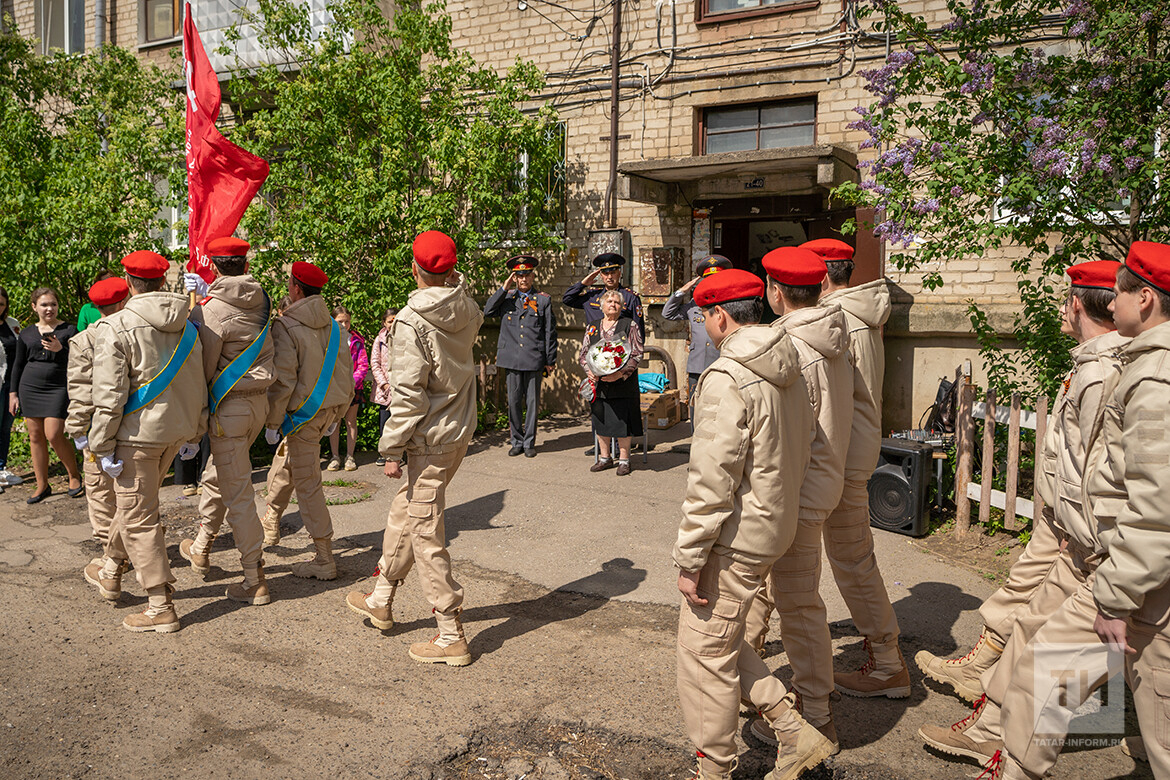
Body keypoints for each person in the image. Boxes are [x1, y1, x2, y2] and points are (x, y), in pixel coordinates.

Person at [918, 252, 1154, 780]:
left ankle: (1023, 746)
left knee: (1067, 666)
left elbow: (1111, 477)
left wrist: (1093, 545)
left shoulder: (1106, 374)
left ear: (1076, 304)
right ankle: (994, 732)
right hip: (1082, 538)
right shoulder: (1099, 365)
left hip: (1102, 550)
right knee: (1035, 641)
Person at [674, 268, 830, 780]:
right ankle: (790, 727)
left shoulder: (726, 376)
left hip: (737, 536)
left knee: (704, 654)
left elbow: (711, 478)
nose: (704, 324)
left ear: (719, 316)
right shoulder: (790, 362)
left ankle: (714, 768)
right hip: (774, 524)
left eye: (703, 316)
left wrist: (690, 557)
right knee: (720, 637)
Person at [744, 246, 868, 749]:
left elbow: (786, 432)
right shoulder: (830, 331)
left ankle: (815, 714)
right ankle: (748, 677)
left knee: (798, 604)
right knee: (779, 593)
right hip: (823, 479)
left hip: (796, 490)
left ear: (775, 291)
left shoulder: (791, 346)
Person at [345, 230, 483, 667]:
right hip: (456, 430)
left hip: (429, 436)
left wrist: (391, 447)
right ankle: (382, 596)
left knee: (425, 531)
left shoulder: (411, 320)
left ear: (414, 268)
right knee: (407, 512)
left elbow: (408, 396)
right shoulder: (467, 306)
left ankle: (450, 633)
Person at [791, 238, 908, 700]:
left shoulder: (835, 321)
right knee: (852, 559)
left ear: (820, 276)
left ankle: (885, 664)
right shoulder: (862, 314)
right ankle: (885, 658)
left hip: (833, 457)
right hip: (852, 453)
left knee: (834, 562)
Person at [84, 250, 207, 632]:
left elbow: (108, 395)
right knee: (136, 507)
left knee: (139, 517)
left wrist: (100, 446)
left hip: (134, 437)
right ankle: (110, 569)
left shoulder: (115, 326)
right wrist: (196, 430)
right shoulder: (188, 323)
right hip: (175, 433)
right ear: (161, 279)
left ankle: (159, 604)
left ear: (129, 280)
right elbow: (198, 381)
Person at [178, 237, 277, 605]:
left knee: (238, 494)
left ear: (215, 268)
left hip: (229, 408)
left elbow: (203, 373)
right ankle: (202, 545)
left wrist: (194, 421)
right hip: (258, 405)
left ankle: (254, 578)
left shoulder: (212, 311)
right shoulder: (263, 299)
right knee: (218, 476)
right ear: (245, 265)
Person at [264, 261, 354, 580]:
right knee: (288, 464)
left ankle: (323, 556)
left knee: (308, 483)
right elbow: (345, 374)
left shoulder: (285, 326)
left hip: (300, 416)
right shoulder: (335, 327)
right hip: (326, 412)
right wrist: (338, 415)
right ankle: (271, 520)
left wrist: (273, 422)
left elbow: (283, 381)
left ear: (296, 288)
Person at [68, 277, 129, 590]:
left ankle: (112, 559)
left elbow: (79, 391)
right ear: (123, 301)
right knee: (129, 493)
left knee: (100, 495)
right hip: (132, 425)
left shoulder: (84, 339)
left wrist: (77, 429)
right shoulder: (134, 330)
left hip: (96, 428)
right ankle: (123, 552)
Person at [9, 286, 82, 504]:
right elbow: (18, 364)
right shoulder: (27, 333)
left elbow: (80, 360)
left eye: (53, 304)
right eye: (44, 304)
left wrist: (62, 350)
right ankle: (42, 485)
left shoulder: (69, 330)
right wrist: (13, 393)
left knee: (53, 434)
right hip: (29, 387)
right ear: (34, 307)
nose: (49, 308)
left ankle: (74, 476)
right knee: (34, 436)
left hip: (57, 387)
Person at [483, 255, 558, 457]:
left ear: (533, 276)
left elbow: (549, 331)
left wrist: (550, 360)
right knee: (514, 401)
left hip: (534, 358)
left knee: (532, 403)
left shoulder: (543, 300)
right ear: (514, 278)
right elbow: (488, 310)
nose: (523, 279)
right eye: (519, 276)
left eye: (527, 275)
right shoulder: (507, 299)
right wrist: (503, 287)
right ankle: (516, 440)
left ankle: (529, 443)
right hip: (512, 359)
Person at [579, 289, 643, 476]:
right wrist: (589, 371)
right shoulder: (592, 326)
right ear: (602, 305)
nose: (613, 305)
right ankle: (605, 458)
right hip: (599, 384)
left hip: (623, 383)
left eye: (616, 302)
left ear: (622, 306)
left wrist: (621, 374)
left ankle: (624, 460)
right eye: (609, 302)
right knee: (601, 420)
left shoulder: (629, 324)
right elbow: (584, 353)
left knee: (622, 422)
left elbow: (637, 353)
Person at [662, 255, 731, 406]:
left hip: (721, 362)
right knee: (696, 406)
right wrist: (682, 291)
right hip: (697, 364)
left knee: (719, 406)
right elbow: (668, 313)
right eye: (708, 279)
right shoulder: (695, 304)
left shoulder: (730, 303)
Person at [326, 306, 368, 472]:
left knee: (351, 421)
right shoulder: (328, 340)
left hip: (353, 387)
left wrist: (352, 382)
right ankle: (335, 456)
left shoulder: (356, 341)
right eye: (339, 321)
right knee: (333, 422)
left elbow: (363, 365)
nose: (344, 325)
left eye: (346, 321)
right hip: (334, 388)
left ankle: (350, 456)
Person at [562, 252, 645, 335]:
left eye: (613, 273)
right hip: (594, 345)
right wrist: (582, 284)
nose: (609, 277)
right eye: (606, 274)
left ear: (619, 274)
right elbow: (567, 299)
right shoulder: (592, 296)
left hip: (620, 346)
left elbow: (639, 332)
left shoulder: (630, 298)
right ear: (601, 276)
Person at [0, 286, 23, 490]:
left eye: (1, 304)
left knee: (6, 427)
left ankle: (1, 468)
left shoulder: (13, 324)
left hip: (11, 385)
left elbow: (20, 351)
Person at [370, 307, 398, 467]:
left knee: (400, 422)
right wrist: (384, 383)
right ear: (384, 322)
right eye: (389, 321)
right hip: (384, 390)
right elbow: (375, 363)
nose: (392, 324)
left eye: (395, 320)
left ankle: (399, 453)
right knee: (385, 423)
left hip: (400, 387)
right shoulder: (379, 340)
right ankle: (384, 453)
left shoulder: (404, 337)